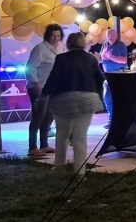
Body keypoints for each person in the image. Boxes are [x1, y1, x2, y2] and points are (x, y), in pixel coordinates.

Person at [43, 32, 106, 175]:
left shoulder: (61, 58)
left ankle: (59, 167)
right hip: (87, 100)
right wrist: (97, 96)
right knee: (80, 137)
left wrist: (44, 95)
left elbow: (53, 79)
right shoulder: (91, 59)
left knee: (62, 134)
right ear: (83, 43)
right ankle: (80, 172)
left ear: (68, 43)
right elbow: (100, 79)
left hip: (63, 99)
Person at [25, 23, 64, 157]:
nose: (56, 38)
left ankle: (44, 144)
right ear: (48, 35)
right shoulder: (40, 48)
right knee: (38, 116)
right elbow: (30, 67)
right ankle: (32, 147)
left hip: (52, 87)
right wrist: (36, 84)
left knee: (49, 117)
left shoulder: (59, 49)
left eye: (58, 35)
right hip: (39, 87)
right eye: (53, 35)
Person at [99, 28, 128, 128]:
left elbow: (124, 61)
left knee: (118, 98)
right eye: (108, 35)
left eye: (111, 35)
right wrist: (100, 57)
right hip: (108, 75)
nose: (110, 37)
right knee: (107, 98)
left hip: (119, 76)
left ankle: (120, 121)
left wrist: (110, 57)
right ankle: (112, 120)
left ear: (116, 35)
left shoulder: (121, 45)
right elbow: (103, 58)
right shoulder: (105, 45)